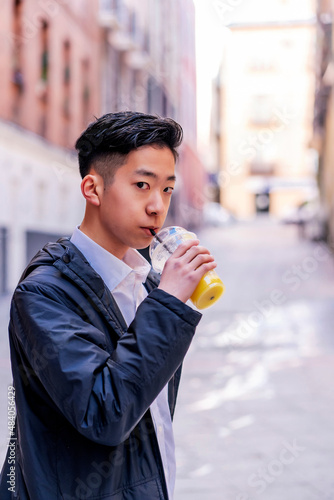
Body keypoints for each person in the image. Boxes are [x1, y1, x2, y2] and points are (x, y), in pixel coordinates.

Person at [0, 111, 217, 500]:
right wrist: (168, 304)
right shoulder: (44, 294)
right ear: (93, 189)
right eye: (141, 185)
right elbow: (106, 413)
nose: (157, 205)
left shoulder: (147, 282)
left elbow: (152, 412)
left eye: (167, 189)